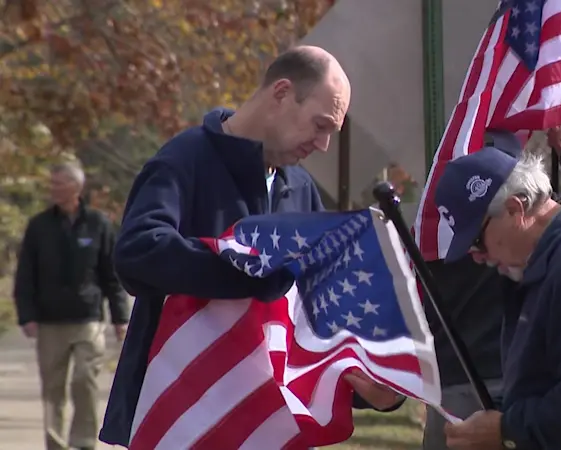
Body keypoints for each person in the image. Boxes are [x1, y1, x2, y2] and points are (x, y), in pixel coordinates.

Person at [99, 45, 402, 448]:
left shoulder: (301, 188)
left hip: (269, 424)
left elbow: (311, 316)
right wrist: (249, 270)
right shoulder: (184, 160)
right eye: (321, 124)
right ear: (280, 93)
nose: (324, 143)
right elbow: (137, 254)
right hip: (181, 419)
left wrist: (369, 383)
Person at [433, 146, 561, 449]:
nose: (478, 257)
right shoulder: (551, 259)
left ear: (516, 210)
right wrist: (500, 413)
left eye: (477, 241)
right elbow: (547, 375)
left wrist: (506, 427)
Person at [13, 161, 130, 450]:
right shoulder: (39, 226)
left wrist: (120, 318)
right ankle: (55, 442)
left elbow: (110, 275)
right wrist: (26, 316)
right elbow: (26, 274)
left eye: (59, 183)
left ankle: (84, 441)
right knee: (53, 388)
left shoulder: (97, 224)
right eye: (51, 183)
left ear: (76, 187)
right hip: (50, 320)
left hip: (88, 318)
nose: (53, 189)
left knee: (84, 379)